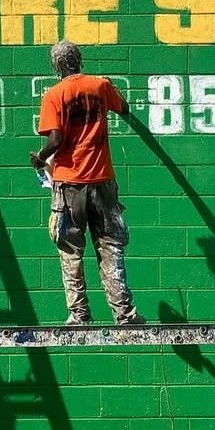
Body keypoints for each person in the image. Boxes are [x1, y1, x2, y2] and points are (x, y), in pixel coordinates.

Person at [30, 40, 146, 326]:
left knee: (70, 248)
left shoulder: (54, 96)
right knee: (111, 245)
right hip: (103, 181)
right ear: (79, 60)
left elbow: (55, 140)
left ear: (56, 66)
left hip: (69, 185)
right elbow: (123, 107)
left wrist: (39, 157)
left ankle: (79, 315)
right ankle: (124, 313)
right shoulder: (100, 86)